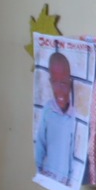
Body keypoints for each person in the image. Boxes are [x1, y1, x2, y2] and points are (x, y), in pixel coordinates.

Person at [34, 50, 76, 183]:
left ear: (70, 82)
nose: (59, 89)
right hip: (48, 175)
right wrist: (38, 169)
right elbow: (40, 142)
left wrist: (71, 178)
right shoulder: (48, 110)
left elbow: (72, 153)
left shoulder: (74, 115)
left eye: (63, 83)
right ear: (50, 81)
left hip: (65, 180)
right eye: (54, 82)